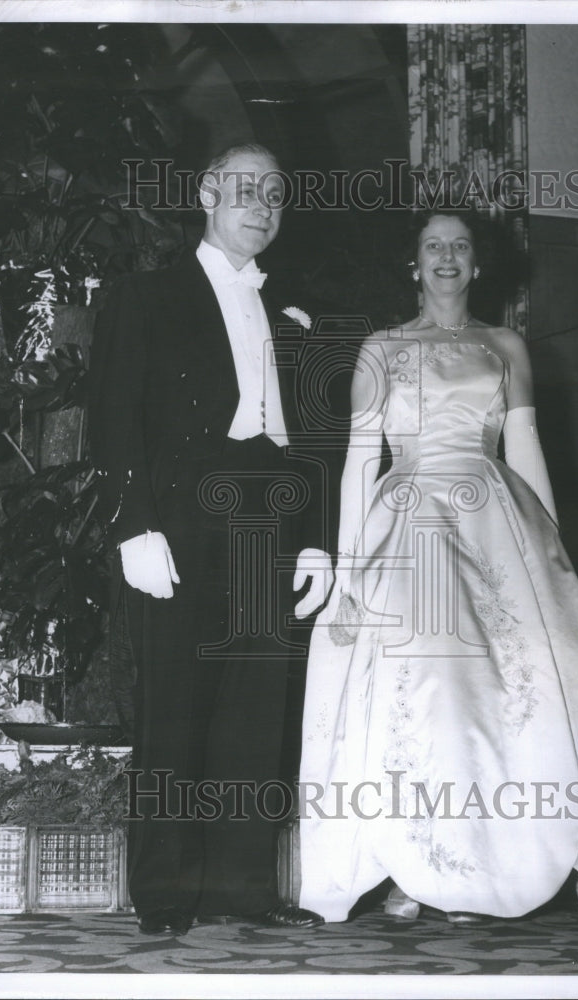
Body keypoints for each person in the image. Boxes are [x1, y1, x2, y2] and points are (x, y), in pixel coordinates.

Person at [297, 209, 578, 923]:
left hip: (495, 524)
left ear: (478, 266)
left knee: (515, 691)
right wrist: (351, 571)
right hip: (410, 523)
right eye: (431, 246)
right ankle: (411, 867)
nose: (446, 257)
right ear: (412, 266)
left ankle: (493, 861)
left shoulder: (504, 343)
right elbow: (361, 461)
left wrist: (553, 554)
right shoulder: (380, 348)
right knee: (426, 691)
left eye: (460, 246)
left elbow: (526, 450)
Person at [89, 143, 332, 935]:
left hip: (272, 516)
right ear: (204, 194)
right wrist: (133, 529)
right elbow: (114, 417)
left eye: (274, 194)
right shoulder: (145, 295)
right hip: (180, 518)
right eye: (243, 190)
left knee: (256, 712)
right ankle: (164, 894)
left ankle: (241, 891)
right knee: (175, 712)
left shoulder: (296, 306)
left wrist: (316, 541)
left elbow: (316, 439)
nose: (260, 205)